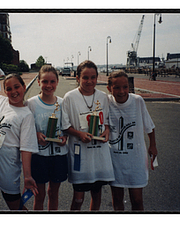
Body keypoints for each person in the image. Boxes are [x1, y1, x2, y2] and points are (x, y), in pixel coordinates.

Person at [0, 73, 39, 210]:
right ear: (5, 91)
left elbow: (26, 148)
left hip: (7, 169)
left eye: (17, 87)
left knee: (15, 206)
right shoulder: (0, 101)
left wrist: (27, 176)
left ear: (23, 87)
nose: (13, 92)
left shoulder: (26, 115)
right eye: (9, 89)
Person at [61, 60, 114, 211]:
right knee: (78, 199)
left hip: (99, 155)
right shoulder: (69, 97)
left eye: (93, 77)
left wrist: (107, 130)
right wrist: (78, 133)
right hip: (80, 154)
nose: (89, 81)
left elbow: (107, 120)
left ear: (97, 78)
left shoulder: (103, 97)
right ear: (77, 78)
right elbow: (65, 125)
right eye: (85, 77)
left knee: (97, 195)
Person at [107, 70, 158, 211]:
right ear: (109, 88)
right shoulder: (106, 102)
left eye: (125, 87)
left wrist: (152, 145)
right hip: (115, 160)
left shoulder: (137, 101)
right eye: (116, 87)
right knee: (117, 200)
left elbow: (150, 126)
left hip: (136, 159)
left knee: (137, 200)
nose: (121, 91)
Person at [26, 65, 68, 210]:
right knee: (39, 194)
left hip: (59, 156)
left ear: (57, 82)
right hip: (39, 156)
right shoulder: (31, 103)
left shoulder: (63, 103)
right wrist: (35, 134)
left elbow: (67, 127)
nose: (48, 85)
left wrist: (65, 137)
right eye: (45, 81)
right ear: (38, 82)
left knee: (53, 193)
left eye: (52, 82)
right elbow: (26, 129)